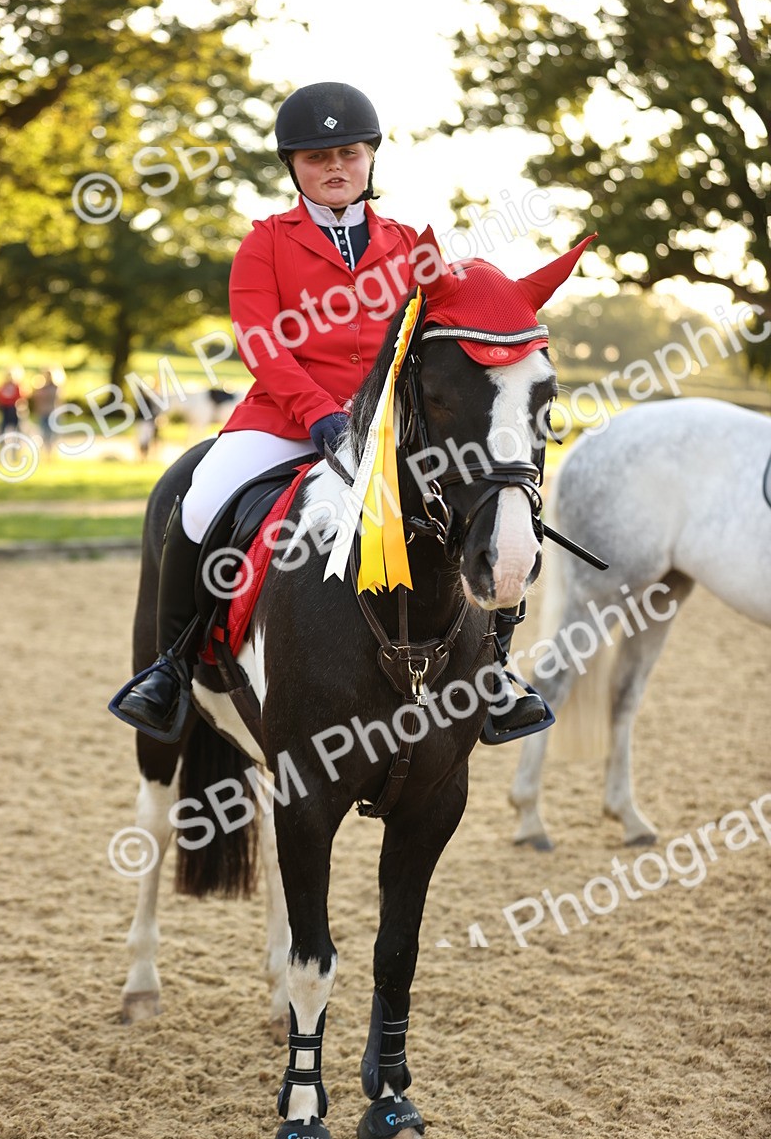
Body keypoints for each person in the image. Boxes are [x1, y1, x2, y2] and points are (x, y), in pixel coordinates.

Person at [115, 81, 546, 743]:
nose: (335, 167)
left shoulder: (412, 246)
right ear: (294, 166)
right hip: (284, 421)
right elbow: (260, 343)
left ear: (370, 158)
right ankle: (171, 666)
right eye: (317, 157)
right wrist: (318, 412)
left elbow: (443, 336)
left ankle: (494, 672)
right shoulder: (266, 243)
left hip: (387, 430)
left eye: (348, 153)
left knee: (477, 504)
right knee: (199, 502)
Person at [32, 369, 59, 453]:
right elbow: (36, 397)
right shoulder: (41, 387)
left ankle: (50, 451)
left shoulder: (54, 387)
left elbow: (52, 397)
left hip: (51, 412)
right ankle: (44, 450)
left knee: (51, 433)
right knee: (43, 431)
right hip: (43, 412)